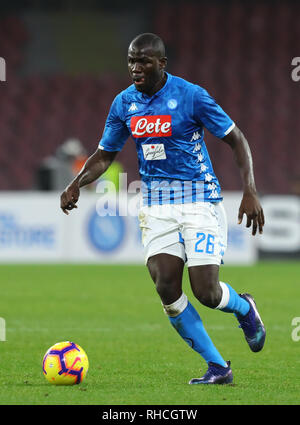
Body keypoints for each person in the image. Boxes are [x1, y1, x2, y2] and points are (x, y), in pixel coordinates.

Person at [60, 33, 266, 385]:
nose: (135, 68)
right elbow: (105, 154)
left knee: (206, 293)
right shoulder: (124, 103)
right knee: (166, 287)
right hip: (156, 205)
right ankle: (218, 367)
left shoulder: (191, 96)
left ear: (161, 64)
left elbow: (236, 138)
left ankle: (244, 308)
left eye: (143, 61)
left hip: (199, 199)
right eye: (130, 61)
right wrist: (76, 183)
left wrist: (250, 189)